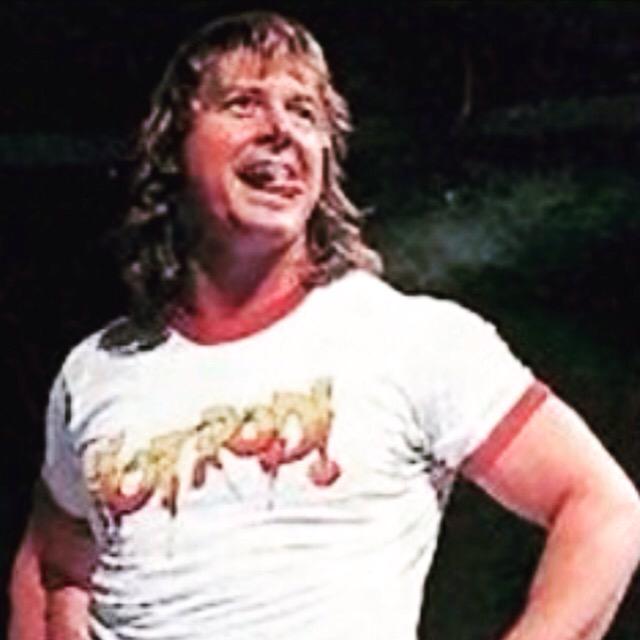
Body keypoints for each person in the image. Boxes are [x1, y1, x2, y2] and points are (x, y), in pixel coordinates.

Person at [9, 11, 640, 640]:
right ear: (173, 147)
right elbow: (53, 565)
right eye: (243, 103)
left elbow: (603, 510)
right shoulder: (96, 371)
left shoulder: (410, 340)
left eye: (304, 112)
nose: (280, 130)